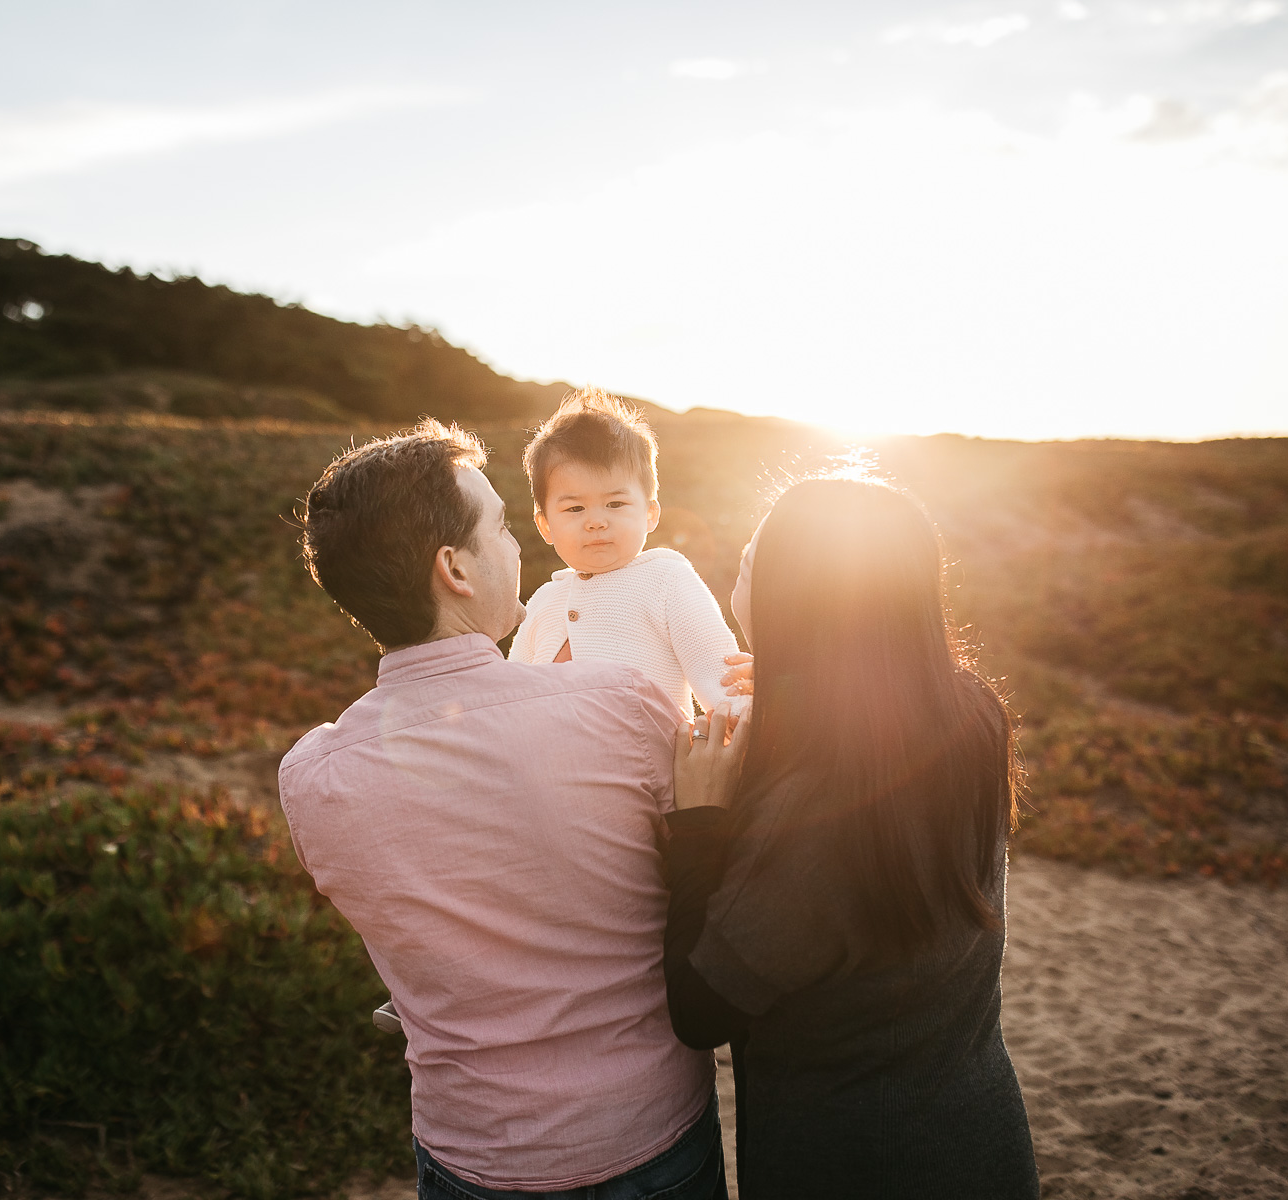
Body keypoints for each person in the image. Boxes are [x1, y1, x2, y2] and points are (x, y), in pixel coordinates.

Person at [277, 419, 728, 1199]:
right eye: (502, 527)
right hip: (647, 1137)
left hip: (469, 1153)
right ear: (454, 568)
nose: (522, 548)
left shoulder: (312, 774)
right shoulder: (622, 704)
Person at [664, 475, 1041, 1199]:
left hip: (853, 1161)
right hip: (982, 1140)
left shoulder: (812, 813)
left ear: (792, 601)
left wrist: (700, 822)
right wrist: (787, 677)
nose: (740, 568)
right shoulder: (972, 717)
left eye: (752, 560)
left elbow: (698, 1008)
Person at [510, 389, 745, 720]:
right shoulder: (543, 601)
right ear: (545, 525)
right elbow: (510, 695)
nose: (596, 521)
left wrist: (740, 721)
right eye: (575, 508)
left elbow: (721, 678)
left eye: (615, 504)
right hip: (551, 768)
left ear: (650, 514)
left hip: (651, 767)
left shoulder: (667, 580)